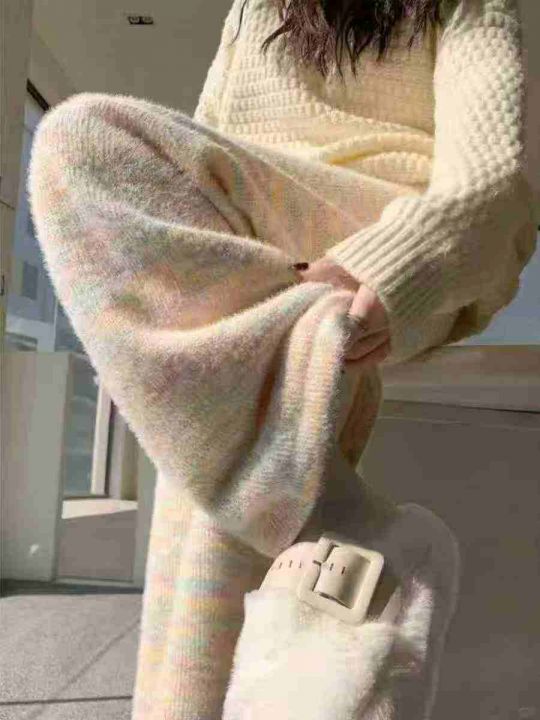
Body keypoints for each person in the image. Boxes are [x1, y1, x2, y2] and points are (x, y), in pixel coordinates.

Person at [27, 0, 537, 717]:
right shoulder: (255, 9)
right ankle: (332, 510)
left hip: (393, 239)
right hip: (276, 265)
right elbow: (201, 159)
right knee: (207, 500)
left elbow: (490, 183)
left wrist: (387, 265)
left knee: (80, 132)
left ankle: (329, 509)